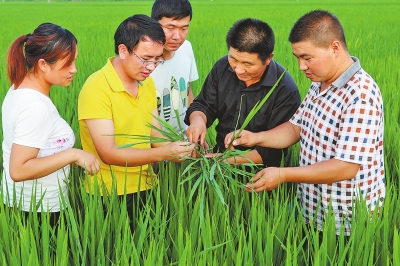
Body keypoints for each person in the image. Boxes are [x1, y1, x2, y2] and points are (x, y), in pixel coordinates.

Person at [225, 10, 385, 236]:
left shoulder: (360, 95)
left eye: (307, 58)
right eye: (298, 58)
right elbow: (296, 127)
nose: (301, 66)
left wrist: (283, 174)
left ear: (335, 48)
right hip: (312, 209)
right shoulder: (320, 82)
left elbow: (346, 166)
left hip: (345, 222)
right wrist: (255, 137)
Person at [77, 15, 195, 232]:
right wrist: (163, 154)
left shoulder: (146, 83)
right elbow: (108, 153)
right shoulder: (96, 88)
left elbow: (155, 136)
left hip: (148, 184)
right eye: (146, 58)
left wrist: (185, 150)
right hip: (110, 194)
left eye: (158, 60)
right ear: (123, 51)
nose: (151, 67)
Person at [2, 23, 100, 227]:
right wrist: (73, 154)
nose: (74, 69)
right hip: (38, 212)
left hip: (25, 204)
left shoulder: (19, 87)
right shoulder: (34, 107)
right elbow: (18, 170)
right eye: (68, 63)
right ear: (43, 64)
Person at [185, 18, 300, 169]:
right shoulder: (222, 67)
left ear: (268, 59)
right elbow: (204, 105)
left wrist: (221, 160)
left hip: (262, 174)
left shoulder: (285, 90)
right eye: (233, 59)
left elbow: (272, 151)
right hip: (217, 166)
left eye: (248, 64)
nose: (238, 69)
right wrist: (198, 121)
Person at [150, 0, 199, 134]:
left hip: (182, 141)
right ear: (154, 24)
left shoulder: (186, 48)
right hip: (154, 146)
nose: (177, 37)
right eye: (170, 28)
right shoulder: (143, 61)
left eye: (184, 28)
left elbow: (188, 92)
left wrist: (194, 130)